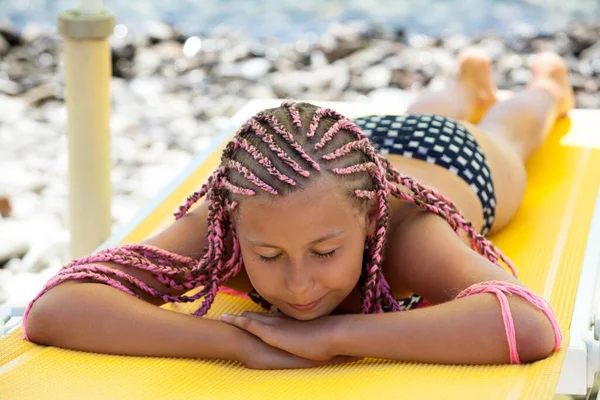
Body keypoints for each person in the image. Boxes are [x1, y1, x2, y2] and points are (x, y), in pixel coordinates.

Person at [22, 49, 573, 370]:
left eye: (326, 251)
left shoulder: (405, 230)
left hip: (453, 161)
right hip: (331, 162)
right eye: (267, 255)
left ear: (366, 226)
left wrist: (332, 336)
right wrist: (235, 341)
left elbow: (530, 324)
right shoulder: (227, 221)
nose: (299, 284)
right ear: (233, 228)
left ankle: (547, 87)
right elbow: (57, 307)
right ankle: (462, 82)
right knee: (427, 110)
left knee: (510, 130)